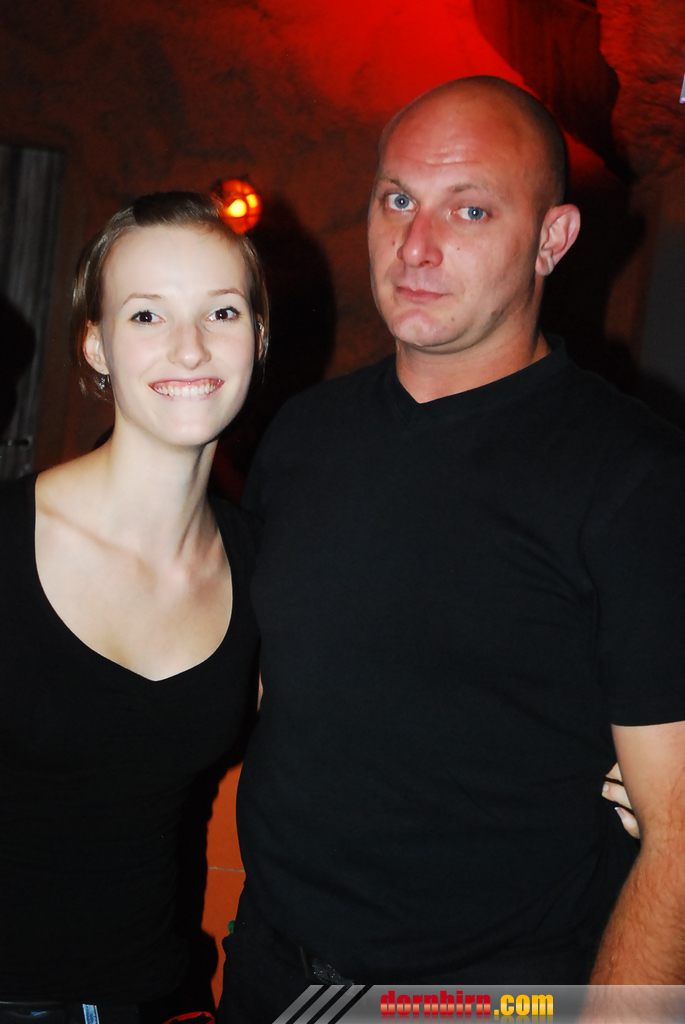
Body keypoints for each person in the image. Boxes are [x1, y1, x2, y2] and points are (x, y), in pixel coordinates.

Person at [218, 76, 685, 1022]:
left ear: (551, 239)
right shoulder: (303, 435)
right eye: (397, 200)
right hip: (270, 976)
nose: (416, 246)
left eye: (469, 210)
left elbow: (678, 833)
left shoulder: (634, 479)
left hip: (481, 1000)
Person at [0, 193, 267, 1021]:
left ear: (258, 338)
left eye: (221, 312)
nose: (189, 346)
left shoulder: (265, 563)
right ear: (97, 345)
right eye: (147, 314)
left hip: (155, 999)